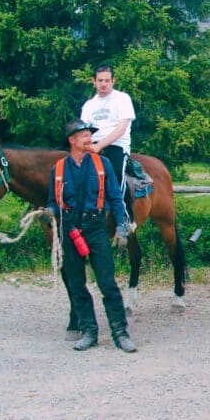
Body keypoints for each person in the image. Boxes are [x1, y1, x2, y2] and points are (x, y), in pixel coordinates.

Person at [46, 119, 136, 353]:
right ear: (72, 140)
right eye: (85, 135)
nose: (89, 139)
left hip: (95, 228)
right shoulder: (58, 169)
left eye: (90, 134)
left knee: (107, 282)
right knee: (76, 284)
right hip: (69, 230)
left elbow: (116, 199)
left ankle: (120, 333)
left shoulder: (103, 163)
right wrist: (48, 212)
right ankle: (89, 331)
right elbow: (53, 203)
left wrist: (121, 228)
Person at [81, 64, 136, 222]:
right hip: (93, 146)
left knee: (116, 175)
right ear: (94, 81)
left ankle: (125, 218)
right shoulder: (89, 106)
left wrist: (99, 145)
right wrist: (88, 145)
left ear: (113, 81)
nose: (103, 84)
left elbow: (121, 128)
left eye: (107, 80)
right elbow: (84, 131)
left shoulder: (122, 99)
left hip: (117, 145)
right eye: (100, 80)